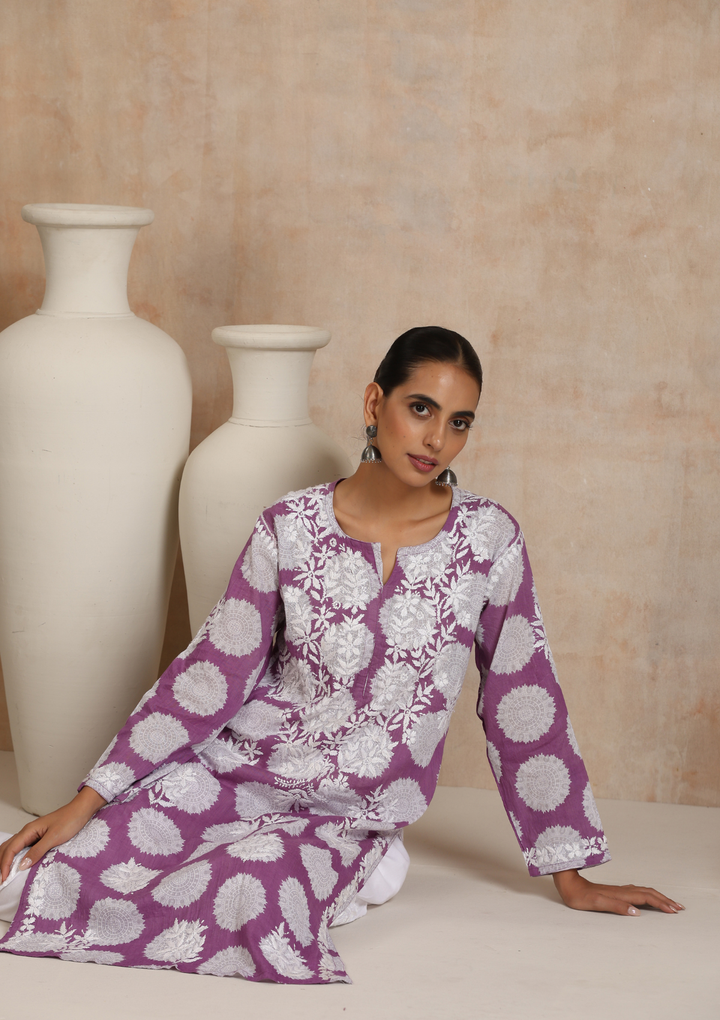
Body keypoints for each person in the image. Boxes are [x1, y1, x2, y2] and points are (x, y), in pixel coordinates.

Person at [0, 326, 682, 983]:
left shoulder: (487, 540)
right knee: (54, 872)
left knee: (252, 887)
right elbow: (211, 674)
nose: (437, 439)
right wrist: (89, 800)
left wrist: (570, 874)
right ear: (374, 402)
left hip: (351, 816)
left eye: (459, 422)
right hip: (235, 774)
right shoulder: (289, 527)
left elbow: (522, 700)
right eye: (421, 409)